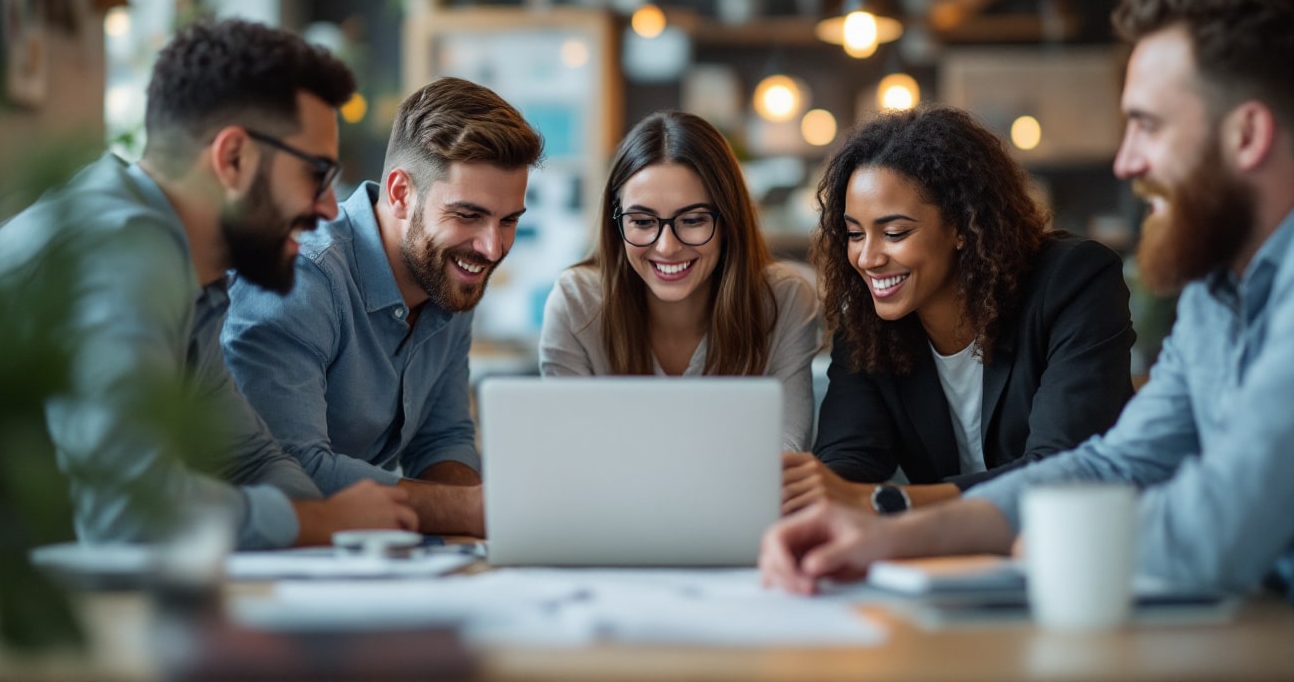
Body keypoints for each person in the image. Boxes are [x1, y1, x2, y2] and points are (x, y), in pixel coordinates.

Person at [761, 0, 1294, 599]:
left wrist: (1044, 536)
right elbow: (1112, 464)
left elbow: (1215, 532)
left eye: (1147, 126)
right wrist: (883, 537)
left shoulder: (1080, 281)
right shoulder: (1218, 293)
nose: (1125, 163)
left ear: (1247, 135)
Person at [0, 18, 417, 548]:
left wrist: (327, 520)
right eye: (316, 175)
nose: (330, 207)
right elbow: (127, 508)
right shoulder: (122, 251)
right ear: (233, 157)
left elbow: (247, 459)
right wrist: (322, 522)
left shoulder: (195, 275)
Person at [223, 77, 544, 536]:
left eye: (508, 220)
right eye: (468, 215)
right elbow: (288, 470)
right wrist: (470, 512)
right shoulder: (302, 277)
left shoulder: (451, 275)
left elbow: (442, 440)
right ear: (400, 194)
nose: (492, 247)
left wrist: (485, 520)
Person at [781, 106, 1135, 516]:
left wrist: (890, 501)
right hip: (956, 557)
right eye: (855, 234)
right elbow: (848, 462)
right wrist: (822, 496)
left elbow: (1060, 469)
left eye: (895, 233)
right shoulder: (869, 323)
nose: (867, 257)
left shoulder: (1073, 281)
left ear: (963, 226)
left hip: (1084, 542)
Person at [539, 110, 819, 451]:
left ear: (729, 221)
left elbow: (787, 457)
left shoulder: (785, 299)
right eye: (642, 222)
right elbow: (570, 456)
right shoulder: (576, 302)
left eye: (693, 220)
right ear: (617, 224)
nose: (667, 247)